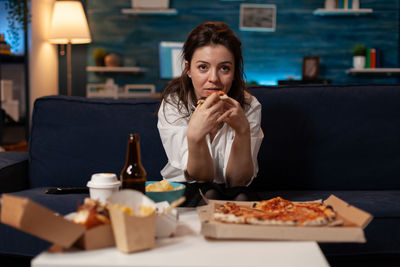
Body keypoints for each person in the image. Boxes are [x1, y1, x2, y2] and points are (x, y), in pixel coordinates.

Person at [157, 21, 264, 206]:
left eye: (224, 68)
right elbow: (201, 176)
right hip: (188, 186)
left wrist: (242, 131)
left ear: (234, 72)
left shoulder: (249, 106)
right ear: (188, 69)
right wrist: (195, 136)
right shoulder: (173, 105)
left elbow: (238, 181)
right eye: (203, 67)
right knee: (210, 193)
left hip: (235, 190)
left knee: (242, 197)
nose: (213, 79)